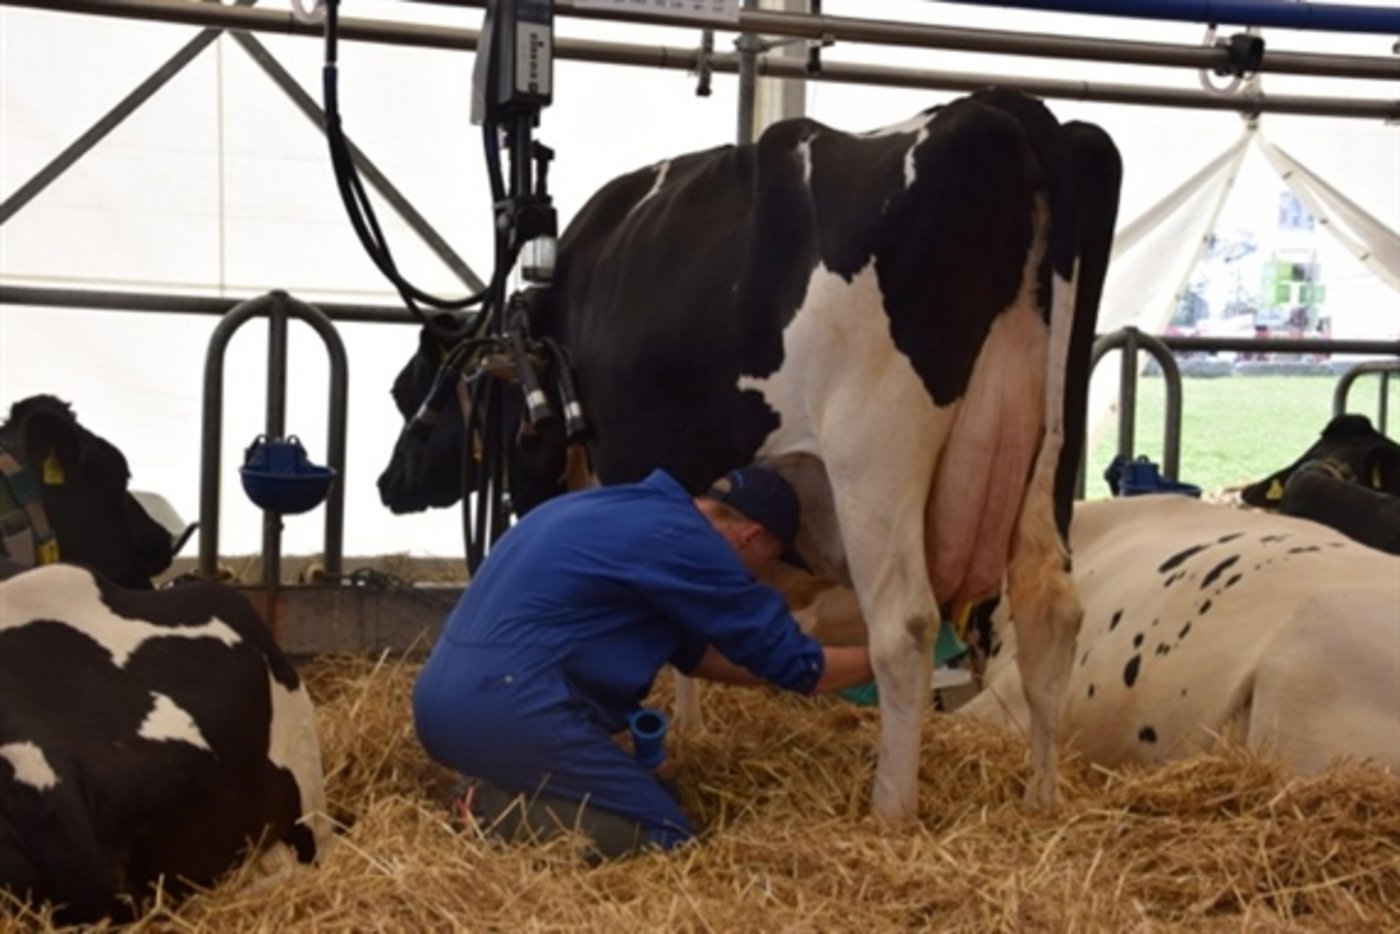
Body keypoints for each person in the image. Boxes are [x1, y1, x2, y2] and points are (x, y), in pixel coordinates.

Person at [412, 465, 873, 860]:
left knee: (650, 795)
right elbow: (800, 668)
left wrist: (783, 672)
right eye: (768, 566)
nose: (760, 579)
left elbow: (700, 657)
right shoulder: (690, 545)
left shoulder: (614, 510)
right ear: (750, 538)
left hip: (443, 703)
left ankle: (501, 785)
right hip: (513, 706)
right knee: (669, 841)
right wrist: (887, 659)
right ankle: (490, 811)